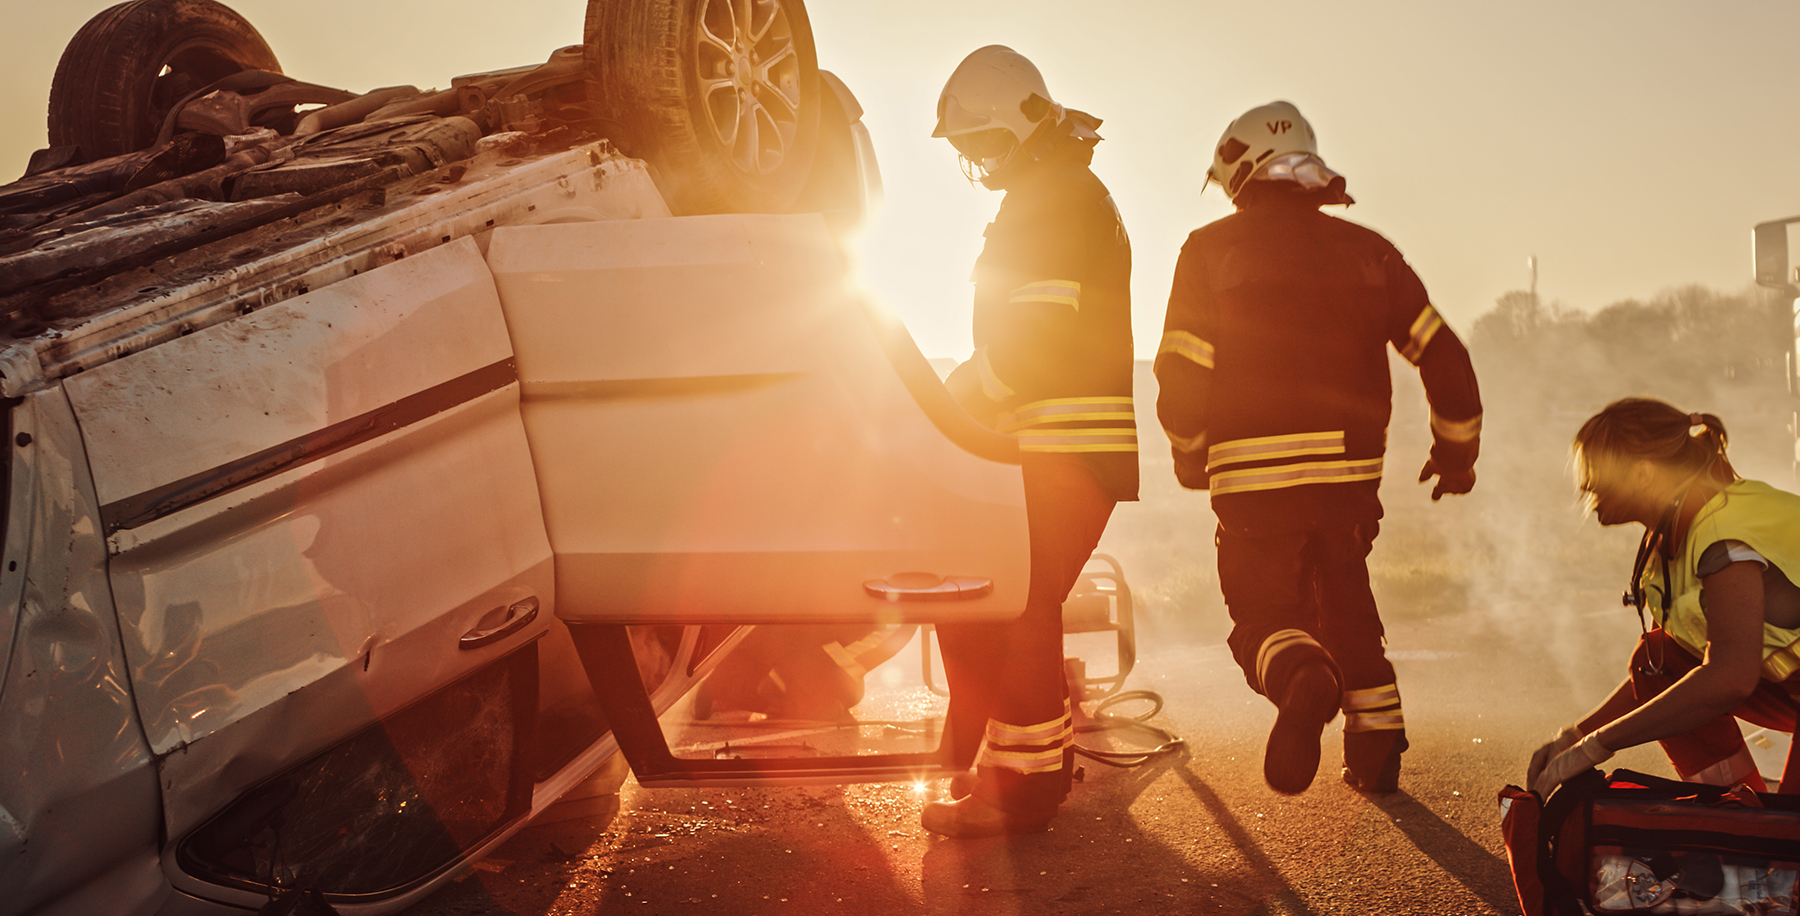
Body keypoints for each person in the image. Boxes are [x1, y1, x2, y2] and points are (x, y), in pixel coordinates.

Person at [1155, 101, 1482, 796]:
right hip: (1347, 480)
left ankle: (1302, 677)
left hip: (1250, 481)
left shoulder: (1208, 251)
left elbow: (1180, 371)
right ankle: (1376, 748)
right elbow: (1444, 357)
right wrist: (1457, 454)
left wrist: (1189, 453)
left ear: (1239, 172)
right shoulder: (1370, 252)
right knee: (1348, 607)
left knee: (1265, 617)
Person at [922, 45, 1138, 837]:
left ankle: (1021, 793)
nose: (977, 162)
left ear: (1022, 123)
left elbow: (1037, 338)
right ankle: (1011, 768)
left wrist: (954, 398)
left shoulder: (1052, 197)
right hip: (1062, 443)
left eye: (982, 142)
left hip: (1064, 441)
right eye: (966, 150)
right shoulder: (1062, 190)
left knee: (1017, 603)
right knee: (1007, 600)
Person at [1528, 398, 1800, 797]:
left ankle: (1765, 837)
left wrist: (1597, 745)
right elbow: (1663, 669)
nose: (1586, 485)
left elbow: (1729, 679)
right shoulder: (1680, 527)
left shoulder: (1723, 533)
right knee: (1658, 661)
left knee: (1789, 844)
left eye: (1596, 470)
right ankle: (1735, 817)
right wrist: (1575, 737)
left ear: (1642, 474)